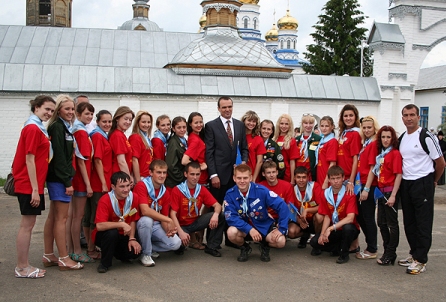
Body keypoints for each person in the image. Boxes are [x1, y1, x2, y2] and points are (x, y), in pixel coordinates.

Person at [398, 104, 445, 274]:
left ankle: (421, 260)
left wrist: (433, 181)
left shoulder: (426, 136)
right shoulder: (403, 137)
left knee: (423, 223)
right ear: (402, 117)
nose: (409, 118)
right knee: (409, 222)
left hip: (423, 183)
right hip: (407, 183)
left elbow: (441, 163)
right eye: (405, 115)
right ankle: (414, 254)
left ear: (418, 117)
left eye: (412, 115)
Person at [13, 95, 56, 278]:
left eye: (52, 111)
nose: (49, 113)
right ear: (36, 107)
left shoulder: (38, 127)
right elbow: (29, 159)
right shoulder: (32, 128)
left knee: (29, 224)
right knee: (27, 225)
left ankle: (23, 265)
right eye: (46, 109)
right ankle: (22, 267)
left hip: (33, 184)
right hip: (28, 185)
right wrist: (35, 189)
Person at [43, 94, 83, 271]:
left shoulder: (63, 127)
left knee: (54, 217)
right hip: (59, 179)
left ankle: (48, 254)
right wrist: (67, 182)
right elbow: (58, 158)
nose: (71, 112)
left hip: (59, 178)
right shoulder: (57, 127)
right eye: (67, 108)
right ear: (59, 109)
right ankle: (64, 258)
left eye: (72, 109)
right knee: (62, 218)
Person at [225, 164, 289, 262]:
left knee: (280, 242)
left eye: (245, 178)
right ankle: (245, 248)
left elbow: (282, 206)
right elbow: (231, 218)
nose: (242, 181)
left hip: (263, 226)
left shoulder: (261, 190)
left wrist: (282, 228)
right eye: (239, 178)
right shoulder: (230, 194)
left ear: (250, 177)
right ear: (234, 178)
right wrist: (249, 229)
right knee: (231, 232)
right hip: (244, 228)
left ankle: (264, 245)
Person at [170, 162, 225, 257]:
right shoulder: (177, 190)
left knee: (221, 215)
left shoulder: (201, 189)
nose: (195, 177)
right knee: (179, 247)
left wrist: (215, 215)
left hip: (195, 223)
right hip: (181, 225)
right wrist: (181, 232)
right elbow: (172, 214)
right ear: (185, 174)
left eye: (197, 174)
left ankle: (212, 246)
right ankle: (185, 242)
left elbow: (218, 205)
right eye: (192, 174)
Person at [134, 160, 181, 267]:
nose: (162, 175)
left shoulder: (164, 191)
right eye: (159, 172)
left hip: (155, 224)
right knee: (147, 220)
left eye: (164, 172)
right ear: (150, 173)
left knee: (176, 244)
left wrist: (169, 230)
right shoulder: (142, 185)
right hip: (138, 223)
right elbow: (145, 210)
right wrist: (169, 220)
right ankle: (146, 254)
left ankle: (147, 246)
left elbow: (163, 217)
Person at [310, 166, 360, 264]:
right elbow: (327, 216)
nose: (336, 181)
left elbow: (350, 218)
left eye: (338, 178)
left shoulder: (349, 194)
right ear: (329, 179)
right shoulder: (326, 194)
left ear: (343, 178)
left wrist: (330, 229)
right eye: (333, 178)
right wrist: (323, 234)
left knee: (348, 228)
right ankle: (339, 248)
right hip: (335, 230)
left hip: (348, 229)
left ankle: (344, 254)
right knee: (314, 242)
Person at [93, 172, 141, 273]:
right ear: (113, 187)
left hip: (125, 234)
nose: (126, 189)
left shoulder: (134, 197)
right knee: (112, 233)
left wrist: (132, 238)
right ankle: (105, 263)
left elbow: (133, 219)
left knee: (134, 253)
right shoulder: (105, 200)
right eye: (122, 186)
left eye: (128, 185)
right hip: (106, 234)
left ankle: (114, 252)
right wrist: (121, 224)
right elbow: (100, 226)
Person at [205, 96, 249, 204]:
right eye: (224, 107)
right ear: (218, 108)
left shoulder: (240, 125)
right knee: (218, 208)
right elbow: (209, 152)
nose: (227, 109)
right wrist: (213, 175)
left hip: (237, 176)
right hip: (219, 177)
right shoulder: (211, 126)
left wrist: (243, 162)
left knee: (236, 206)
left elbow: (244, 148)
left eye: (229, 107)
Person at [67, 102, 95, 263]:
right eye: (87, 114)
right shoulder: (81, 133)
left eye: (91, 114)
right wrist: (88, 184)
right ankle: (77, 250)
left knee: (72, 216)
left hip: (77, 178)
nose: (90, 117)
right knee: (78, 216)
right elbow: (82, 161)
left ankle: (71, 248)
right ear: (78, 115)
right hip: (81, 180)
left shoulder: (77, 129)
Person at [83, 110, 113, 260]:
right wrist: (103, 183)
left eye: (109, 121)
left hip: (99, 182)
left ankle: (90, 246)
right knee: (95, 216)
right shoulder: (98, 136)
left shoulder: (101, 135)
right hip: (99, 183)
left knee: (90, 215)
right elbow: (98, 160)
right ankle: (90, 248)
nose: (107, 124)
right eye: (104, 122)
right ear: (98, 122)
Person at [373, 126, 402, 266]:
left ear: (393, 139)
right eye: (383, 137)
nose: (385, 140)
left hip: (390, 191)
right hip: (380, 191)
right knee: (381, 223)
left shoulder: (395, 153)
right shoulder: (381, 154)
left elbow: (398, 175)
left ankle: (390, 253)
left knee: (392, 224)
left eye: (388, 137)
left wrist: (394, 195)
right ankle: (387, 250)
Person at [356, 116, 380, 260]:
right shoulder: (366, 142)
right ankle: (370, 245)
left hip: (368, 185)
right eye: (364, 128)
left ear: (374, 128)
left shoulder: (374, 144)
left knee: (368, 217)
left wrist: (366, 189)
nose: (366, 130)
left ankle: (372, 248)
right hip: (361, 183)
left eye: (369, 127)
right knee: (361, 216)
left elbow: (373, 168)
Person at [258, 161, 301, 240]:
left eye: (273, 172)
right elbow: (257, 207)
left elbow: (290, 207)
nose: (271, 175)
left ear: (277, 172)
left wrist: (282, 222)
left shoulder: (287, 186)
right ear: (263, 174)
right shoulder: (259, 187)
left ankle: (305, 235)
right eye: (268, 173)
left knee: (292, 231)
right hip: (266, 217)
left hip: (282, 217)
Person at [293, 166, 323, 249]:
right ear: (294, 178)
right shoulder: (292, 189)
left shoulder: (315, 186)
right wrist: (299, 221)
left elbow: (322, 207)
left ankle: (317, 240)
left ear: (308, 178)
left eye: (304, 177)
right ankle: (305, 235)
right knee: (291, 232)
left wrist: (307, 210)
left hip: (313, 220)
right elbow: (290, 210)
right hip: (301, 220)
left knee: (319, 217)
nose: (301, 180)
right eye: (298, 177)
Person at [337, 104, 362, 196]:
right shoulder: (343, 134)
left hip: (349, 178)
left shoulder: (355, 134)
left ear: (355, 117)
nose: (348, 118)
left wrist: (351, 181)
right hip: (340, 176)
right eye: (345, 116)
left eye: (351, 115)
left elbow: (356, 159)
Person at [108, 106, 135, 184]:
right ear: (117, 118)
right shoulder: (117, 135)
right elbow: (121, 161)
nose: (128, 122)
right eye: (125, 119)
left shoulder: (121, 135)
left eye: (130, 120)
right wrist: (128, 178)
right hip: (120, 177)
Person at [182, 112, 208, 185]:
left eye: (201, 122)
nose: (199, 125)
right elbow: (184, 161)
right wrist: (199, 167)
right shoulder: (195, 140)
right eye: (196, 123)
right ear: (190, 124)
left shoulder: (193, 136)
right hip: (200, 179)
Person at [129, 110, 154, 184]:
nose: (146, 125)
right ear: (137, 123)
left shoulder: (146, 137)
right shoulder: (136, 137)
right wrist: (138, 180)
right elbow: (134, 160)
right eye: (143, 122)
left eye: (149, 122)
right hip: (141, 177)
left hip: (148, 176)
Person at [273, 114, 299, 183]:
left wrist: (292, 179)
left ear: (290, 126)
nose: (284, 126)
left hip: (286, 173)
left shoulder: (291, 140)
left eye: (286, 124)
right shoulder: (274, 139)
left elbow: (292, 162)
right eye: (282, 123)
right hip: (273, 172)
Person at [241, 110, 266, 182]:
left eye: (254, 121)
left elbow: (260, 161)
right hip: (239, 174)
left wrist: (254, 178)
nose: (251, 123)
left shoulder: (258, 139)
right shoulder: (238, 137)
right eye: (249, 120)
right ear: (244, 121)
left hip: (252, 174)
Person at [295, 114, 321, 181]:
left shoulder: (318, 139)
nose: (308, 126)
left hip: (311, 173)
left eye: (311, 123)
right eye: (306, 123)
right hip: (298, 172)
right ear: (302, 124)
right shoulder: (296, 140)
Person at [315, 116, 338, 189]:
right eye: (322, 126)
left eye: (327, 126)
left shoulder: (332, 141)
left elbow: (332, 163)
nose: (324, 128)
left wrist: (326, 181)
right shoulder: (322, 140)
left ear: (332, 127)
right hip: (320, 173)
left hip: (326, 176)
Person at [165, 116, 188, 188]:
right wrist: (182, 178)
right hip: (175, 183)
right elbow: (171, 165)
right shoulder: (173, 142)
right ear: (173, 129)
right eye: (179, 128)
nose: (182, 130)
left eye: (184, 127)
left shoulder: (183, 140)